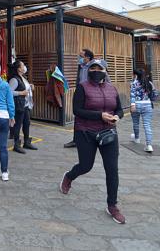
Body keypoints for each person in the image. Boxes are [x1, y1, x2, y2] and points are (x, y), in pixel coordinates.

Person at [59, 59, 126, 224]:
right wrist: (100, 115)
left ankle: (112, 205)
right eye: (92, 68)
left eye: (99, 68)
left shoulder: (112, 88)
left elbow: (118, 108)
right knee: (86, 166)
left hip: (108, 132)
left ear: (105, 71)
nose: (95, 71)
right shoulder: (82, 87)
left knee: (112, 169)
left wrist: (117, 116)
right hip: (86, 132)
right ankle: (69, 176)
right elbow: (77, 110)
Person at [64, 49, 95, 148]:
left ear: (87, 58)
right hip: (80, 94)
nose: (79, 58)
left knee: (90, 117)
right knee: (78, 117)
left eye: (81, 56)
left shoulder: (95, 67)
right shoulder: (81, 66)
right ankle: (76, 140)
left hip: (91, 95)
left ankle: (91, 140)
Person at [8, 60, 37, 154]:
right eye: (23, 65)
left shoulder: (22, 77)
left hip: (26, 105)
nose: (24, 67)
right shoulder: (14, 79)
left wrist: (30, 86)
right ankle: (16, 145)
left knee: (26, 124)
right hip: (19, 106)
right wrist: (21, 93)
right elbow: (9, 92)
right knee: (17, 125)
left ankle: (27, 142)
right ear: (19, 69)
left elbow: (25, 88)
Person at [130, 69, 155, 153]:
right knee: (147, 125)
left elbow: (132, 94)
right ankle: (149, 145)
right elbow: (155, 94)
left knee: (136, 123)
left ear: (136, 75)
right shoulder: (149, 83)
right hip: (147, 105)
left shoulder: (134, 83)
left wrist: (132, 104)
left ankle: (137, 138)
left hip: (137, 104)